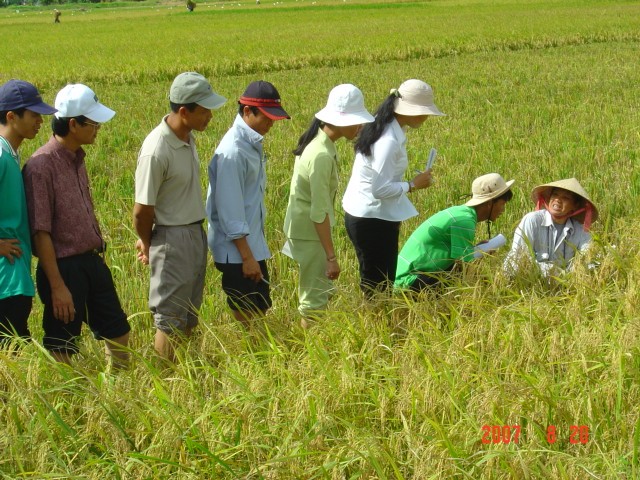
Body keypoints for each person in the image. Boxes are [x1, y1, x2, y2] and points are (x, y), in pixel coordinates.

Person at [22, 84, 130, 366]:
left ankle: (115, 396)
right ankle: (70, 403)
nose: (98, 129)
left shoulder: (78, 159)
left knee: (119, 333)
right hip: (63, 268)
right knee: (63, 344)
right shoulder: (40, 166)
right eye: (93, 123)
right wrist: (57, 286)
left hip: (91, 261)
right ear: (73, 124)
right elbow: (40, 231)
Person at [134, 72, 226, 363]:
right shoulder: (156, 150)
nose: (210, 116)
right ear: (184, 111)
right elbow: (142, 210)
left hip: (193, 233)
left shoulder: (186, 138)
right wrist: (148, 243)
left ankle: (186, 372)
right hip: (171, 238)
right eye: (204, 110)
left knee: (189, 313)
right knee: (169, 317)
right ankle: (165, 378)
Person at [342, 79, 445, 298]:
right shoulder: (388, 139)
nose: (427, 117)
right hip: (372, 218)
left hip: (368, 214)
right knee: (378, 285)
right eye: (425, 112)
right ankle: (375, 325)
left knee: (379, 280)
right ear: (412, 111)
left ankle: (377, 322)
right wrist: (412, 185)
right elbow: (379, 189)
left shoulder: (382, 122)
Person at [283, 84, 374, 324]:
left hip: (304, 230)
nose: (360, 127)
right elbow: (319, 211)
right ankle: (309, 355)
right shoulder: (321, 154)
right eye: (357, 121)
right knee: (314, 300)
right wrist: (331, 256)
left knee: (316, 295)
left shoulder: (320, 144)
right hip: (311, 233)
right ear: (341, 121)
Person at [207, 81, 289, 326]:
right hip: (238, 252)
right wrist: (247, 258)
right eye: (266, 117)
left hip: (250, 246)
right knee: (248, 314)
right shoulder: (233, 151)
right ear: (247, 112)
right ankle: (252, 357)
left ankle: (258, 354)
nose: (271, 124)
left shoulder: (250, 143)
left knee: (260, 308)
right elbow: (230, 211)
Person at [0, 80, 56, 345]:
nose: (40, 122)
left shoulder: (10, 154)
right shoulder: (0, 154)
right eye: (34, 115)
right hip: (4, 280)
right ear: (11, 116)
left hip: (13, 276)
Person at [395, 173, 514, 292]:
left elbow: (460, 258)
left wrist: (475, 249)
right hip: (408, 281)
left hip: (403, 277)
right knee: (462, 282)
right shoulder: (465, 221)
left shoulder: (461, 213)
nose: (503, 210)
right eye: (502, 204)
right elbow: (463, 268)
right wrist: (481, 254)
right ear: (489, 203)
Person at [503, 178, 597, 277]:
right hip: (528, 281)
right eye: (555, 195)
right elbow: (519, 258)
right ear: (549, 199)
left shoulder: (580, 231)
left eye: (565, 198)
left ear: (575, 206)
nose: (557, 200)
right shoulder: (532, 220)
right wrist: (554, 272)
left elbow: (587, 260)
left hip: (563, 286)